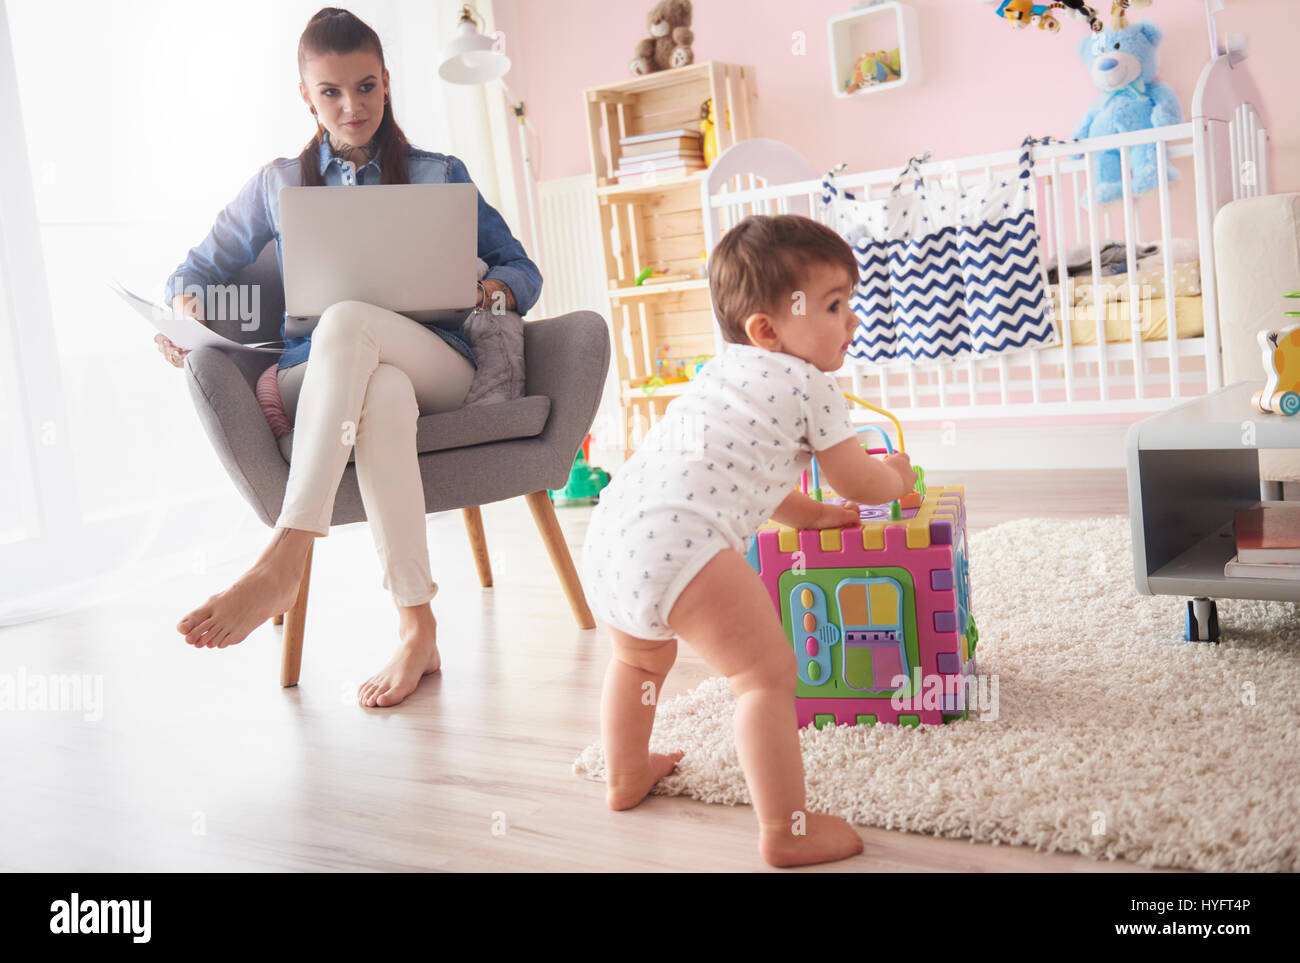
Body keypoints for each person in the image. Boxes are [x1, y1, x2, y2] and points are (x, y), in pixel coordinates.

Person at [157, 7, 541, 709]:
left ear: (387, 83)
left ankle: (288, 552)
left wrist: (486, 287)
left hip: (439, 366)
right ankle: (417, 626)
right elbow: (192, 272)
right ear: (307, 96)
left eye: (365, 86)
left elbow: (524, 270)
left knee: (362, 336)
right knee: (378, 388)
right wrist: (186, 311)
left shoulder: (438, 173)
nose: (351, 105)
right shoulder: (277, 183)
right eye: (330, 92)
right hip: (323, 379)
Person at [579, 213, 915, 867]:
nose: (851, 320)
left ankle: (624, 773)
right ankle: (787, 828)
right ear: (767, 328)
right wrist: (894, 478)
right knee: (764, 676)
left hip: (614, 535)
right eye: (833, 305)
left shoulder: (721, 373)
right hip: (683, 544)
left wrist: (811, 516)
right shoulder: (811, 384)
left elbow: (746, 475)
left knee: (640, 662)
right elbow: (861, 477)